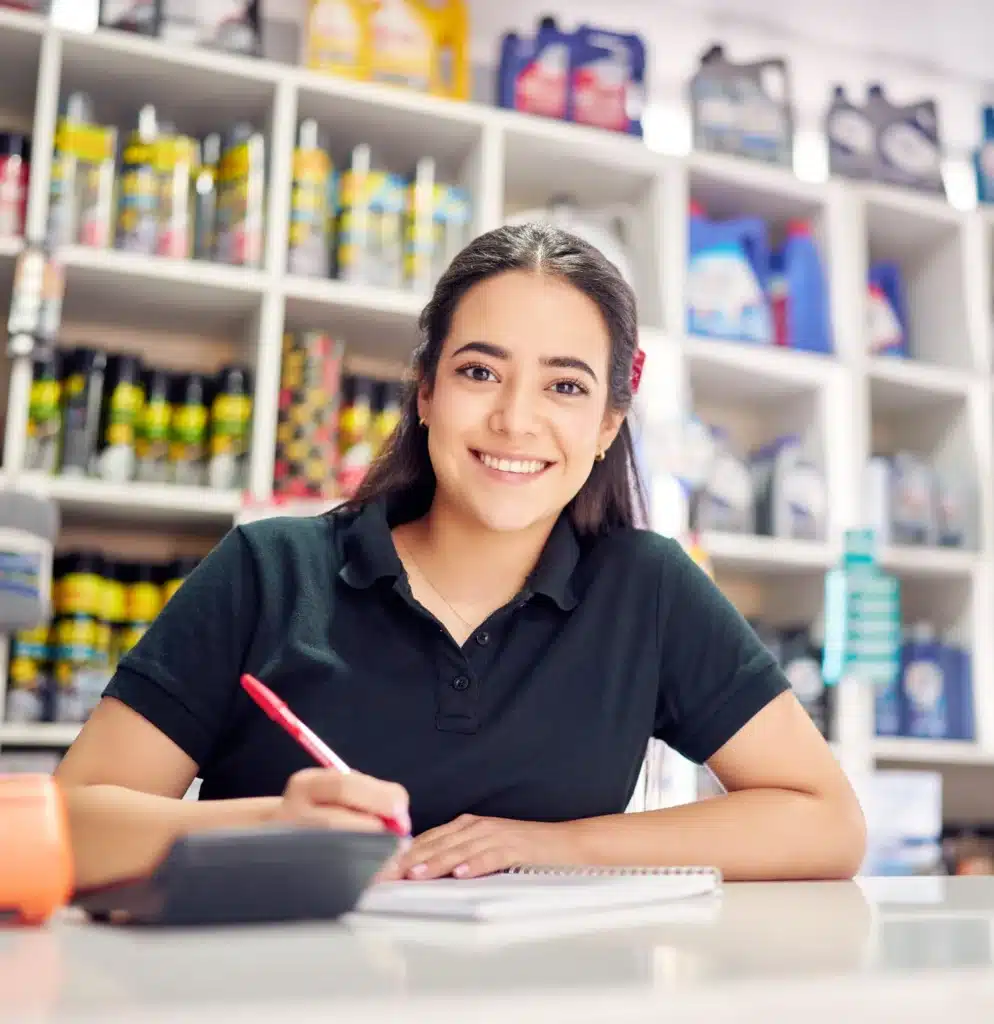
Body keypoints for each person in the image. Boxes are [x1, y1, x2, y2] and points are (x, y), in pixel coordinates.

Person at [56, 223, 866, 891]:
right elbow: (63, 823)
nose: (516, 420)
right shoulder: (268, 571)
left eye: (566, 387)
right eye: (480, 371)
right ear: (427, 392)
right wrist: (267, 826)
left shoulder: (648, 588)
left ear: (608, 427)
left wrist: (554, 844)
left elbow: (827, 821)